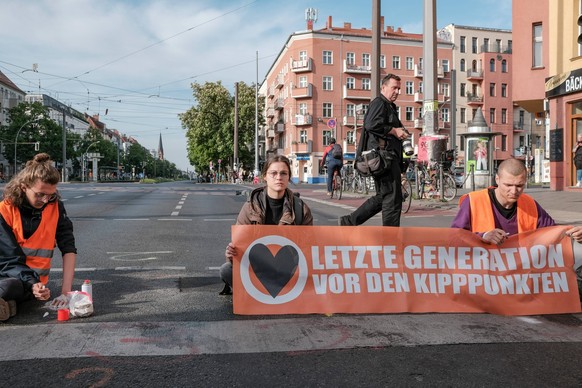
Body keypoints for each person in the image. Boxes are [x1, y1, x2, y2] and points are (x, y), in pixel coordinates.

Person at [0, 153, 77, 321]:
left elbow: (68, 247)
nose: (45, 200)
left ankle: (8, 303)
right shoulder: (4, 210)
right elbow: (9, 259)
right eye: (40, 194)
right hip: (8, 274)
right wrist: (33, 283)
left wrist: (66, 293)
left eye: (50, 195)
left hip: (33, 284)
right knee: (8, 285)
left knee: (14, 288)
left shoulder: (55, 206)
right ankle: (8, 302)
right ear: (23, 187)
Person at [220, 155, 313, 292]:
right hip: (256, 267)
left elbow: (309, 246)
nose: (278, 177)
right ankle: (262, 291)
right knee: (227, 270)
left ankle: (265, 292)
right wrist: (231, 252)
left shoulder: (300, 208)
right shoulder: (250, 206)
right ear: (265, 176)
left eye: (283, 173)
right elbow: (238, 246)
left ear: (288, 177)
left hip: (289, 268)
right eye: (273, 173)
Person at [451, 158, 582, 245]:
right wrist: (483, 236)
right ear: (497, 179)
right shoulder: (474, 201)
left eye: (519, 186)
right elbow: (455, 237)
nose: (514, 191)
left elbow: (552, 231)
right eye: (508, 185)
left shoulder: (530, 204)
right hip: (483, 275)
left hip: (518, 277)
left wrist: (572, 232)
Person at [339, 73, 410, 226]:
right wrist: (394, 131)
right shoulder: (380, 103)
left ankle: (349, 221)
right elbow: (371, 124)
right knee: (392, 200)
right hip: (384, 159)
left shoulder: (389, 106)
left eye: (399, 89)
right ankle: (391, 239)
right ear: (383, 87)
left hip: (387, 159)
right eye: (394, 88)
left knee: (384, 196)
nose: (397, 92)